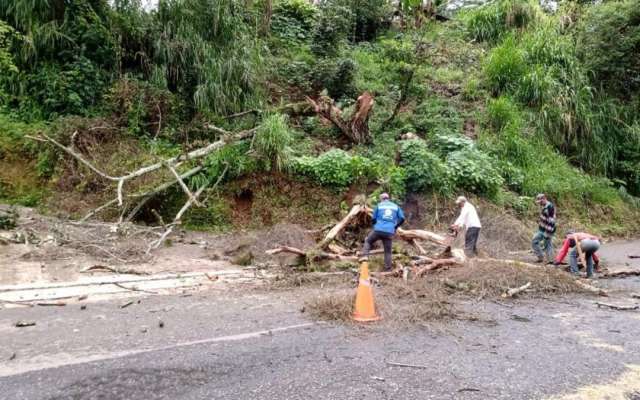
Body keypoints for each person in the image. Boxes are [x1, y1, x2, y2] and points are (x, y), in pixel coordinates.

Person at [361, 193, 405, 271]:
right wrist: (395, 226)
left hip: (378, 230)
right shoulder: (395, 206)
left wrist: (375, 225)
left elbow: (373, 219)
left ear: (381, 199)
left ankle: (365, 256)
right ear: (388, 198)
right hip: (389, 232)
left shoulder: (379, 205)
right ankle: (388, 269)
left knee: (368, 241)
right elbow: (402, 218)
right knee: (388, 251)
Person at [532, 193, 556, 263]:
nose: (539, 203)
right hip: (541, 229)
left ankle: (550, 261)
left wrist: (548, 233)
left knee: (547, 245)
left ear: (544, 198)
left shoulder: (550, 207)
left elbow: (552, 221)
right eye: (538, 202)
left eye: (540, 202)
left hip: (547, 230)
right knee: (534, 241)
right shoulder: (544, 206)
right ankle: (540, 257)